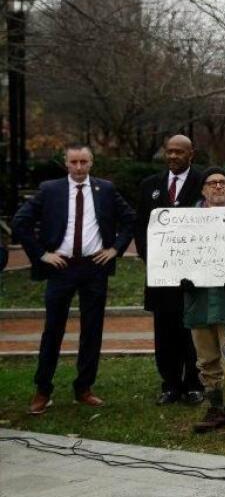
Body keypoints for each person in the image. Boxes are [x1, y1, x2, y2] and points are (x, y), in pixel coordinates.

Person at [13, 144, 135, 414]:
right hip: (61, 268)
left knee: (92, 331)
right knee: (52, 330)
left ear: (92, 162)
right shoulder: (49, 190)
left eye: (84, 162)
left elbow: (130, 220)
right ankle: (43, 390)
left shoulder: (106, 189)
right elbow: (20, 222)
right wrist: (42, 255)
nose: (79, 167)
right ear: (65, 164)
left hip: (94, 268)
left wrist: (114, 250)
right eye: (74, 162)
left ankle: (84, 388)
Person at [135, 134, 206, 405]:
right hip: (161, 277)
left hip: (193, 277)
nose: (173, 156)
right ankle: (170, 385)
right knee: (165, 333)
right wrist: (150, 258)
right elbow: (140, 227)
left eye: (179, 152)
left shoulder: (203, 183)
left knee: (192, 332)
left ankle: (194, 385)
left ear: (192, 155)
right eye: (169, 151)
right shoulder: (149, 186)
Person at [184, 167, 225, 436]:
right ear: (203, 189)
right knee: (206, 358)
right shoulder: (184, 220)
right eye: (212, 183)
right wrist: (180, 274)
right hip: (198, 299)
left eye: (223, 182)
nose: (218, 186)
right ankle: (215, 407)